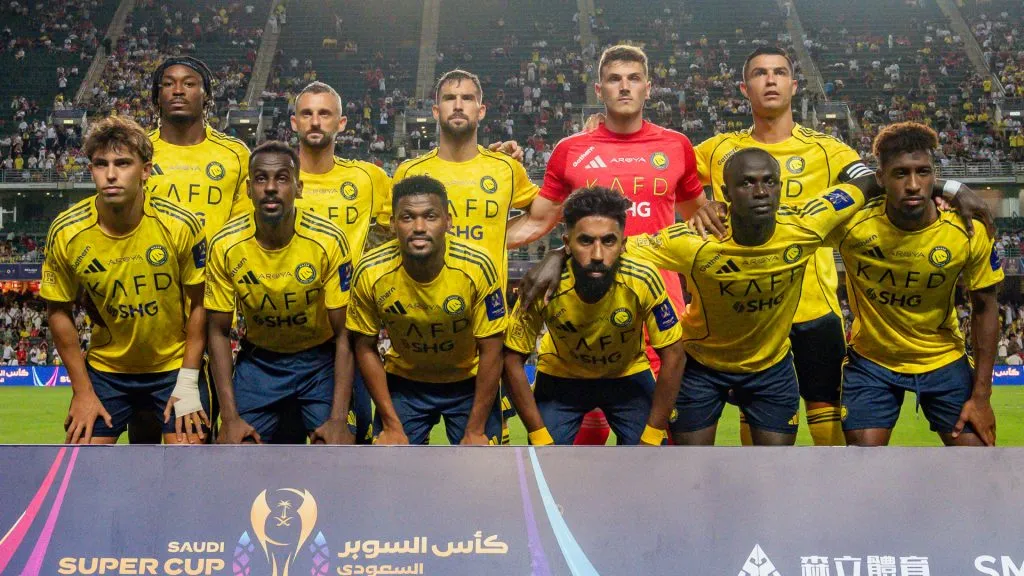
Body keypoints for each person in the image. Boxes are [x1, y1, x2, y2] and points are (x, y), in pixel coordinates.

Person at [686, 46, 994, 446]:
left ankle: (831, 506)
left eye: (779, 72)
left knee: (829, 429)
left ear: (794, 86)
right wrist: (700, 205)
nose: (771, 79)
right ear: (745, 89)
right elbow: (670, 183)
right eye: (760, 73)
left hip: (814, 308)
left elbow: (885, 180)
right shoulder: (714, 150)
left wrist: (950, 186)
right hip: (748, 308)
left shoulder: (829, 150)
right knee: (758, 419)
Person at [505, 44, 706, 444]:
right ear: (600, 89)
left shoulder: (676, 146)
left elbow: (700, 221)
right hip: (586, 313)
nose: (625, 87)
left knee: (657, 449)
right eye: (615, 79)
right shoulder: (571, 151)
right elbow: (538, 222)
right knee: (578, 459)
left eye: (634, 79)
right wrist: (470, 238)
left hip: (657, 310)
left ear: (649, 88)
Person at [376, 69, 537, 444]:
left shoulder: (505, 169)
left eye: (467, 98)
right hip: (419, 339)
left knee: (483, 479)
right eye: (450, 98)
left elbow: (544, 213)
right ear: (435, 111)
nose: (458, 105)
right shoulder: (410, 171)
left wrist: (501, 235)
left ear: (481, 111)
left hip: (481, 345)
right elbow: (391, 231)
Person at [41, 116, 209, 445]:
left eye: (123, 163)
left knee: (191, 463)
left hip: (172, 367)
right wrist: (82, 391)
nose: (112, 174)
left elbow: (201, 304)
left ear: (146, 170)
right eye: (101, 164)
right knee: (81, 466)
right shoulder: (66, 231)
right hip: (108, 373)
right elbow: (58, 310)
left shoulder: (180, 225)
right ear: (91, 170)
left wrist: (188, 382)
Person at [833, 123, 1001, 446]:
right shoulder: (851, 226)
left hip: (942, 357)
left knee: (978, 463)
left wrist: (981, 396)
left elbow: (985, 307)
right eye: (900, 174)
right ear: (880, 178)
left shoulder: (966, 231)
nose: (913, 185)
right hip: (873, 360)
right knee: (862, 464)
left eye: (923, 172)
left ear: (934, 176)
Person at [503, 187, 685, 445]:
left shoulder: (643, 278)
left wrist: (654, 434)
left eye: (608, 241)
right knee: (544, 460)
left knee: (650, 458)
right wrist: (539, 435)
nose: (597, 255)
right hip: (561, 379)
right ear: (567, 244)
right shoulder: (541, 283)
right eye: (585, 241)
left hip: (627, 377)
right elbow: (511, 357)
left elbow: (675, 354)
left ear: (623, 244)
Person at [130, 56, 252, 443]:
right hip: (150, 308)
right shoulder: (138, 151)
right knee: (145, 437)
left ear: (207, 95)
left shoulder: (234, 154)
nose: (178, 90)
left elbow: (240, 233)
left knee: (197, 437)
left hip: (211, 307)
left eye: (189, 83)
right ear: (157, 96)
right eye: (168, 84)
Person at [205, 141, 356, 444]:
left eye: (282, 178)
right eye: (261, 179)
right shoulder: (224, 245)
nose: (271, 187)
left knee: (338, 448)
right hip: (260, 363)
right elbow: (218, 332)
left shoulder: (328, 241)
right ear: (249, 188)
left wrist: (338, 419)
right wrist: (231, 418)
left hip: (319, 363)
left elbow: (345, 334)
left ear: (299, 188)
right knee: (236, 447)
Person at [348, 175, 507, 445]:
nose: (419, 227)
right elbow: (364, 346)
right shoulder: (370, 270)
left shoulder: (478, 266)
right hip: (405, 383)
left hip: (468, 382)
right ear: (392, 224)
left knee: (481, 471)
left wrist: (475, 430)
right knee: (391, 471)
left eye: (430, 216)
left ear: (448, 221)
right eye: (407, 217)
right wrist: (390, 422)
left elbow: (492, 349)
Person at [290, 80, 390, 444]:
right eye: (307, 113)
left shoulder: (368, 178)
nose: (315, 121)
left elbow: (420, 216)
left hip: (347, 339)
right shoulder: (273, 180)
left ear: (341, 123)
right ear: (294, 123)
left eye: (325, 113)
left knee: (349, 446)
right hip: (282, 337)